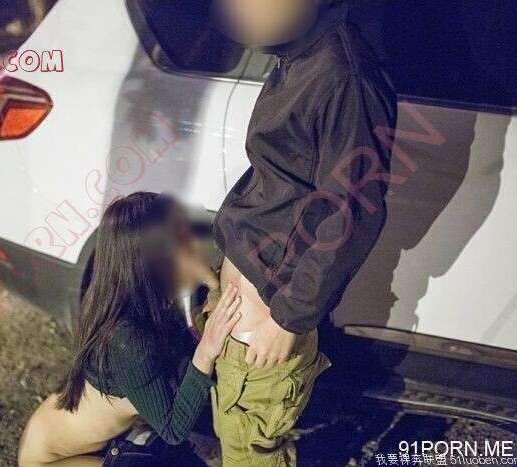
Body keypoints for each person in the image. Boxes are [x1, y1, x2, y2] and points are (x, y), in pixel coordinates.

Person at [209, 0, 397, 465]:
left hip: (267, 323)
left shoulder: (344, 77)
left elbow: (352, 212)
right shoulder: (298, 55)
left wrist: (288, 319)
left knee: (251, 453)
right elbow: (281, 181)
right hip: (246, 315)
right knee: (236, 439)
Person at [18, 192, 241, 466]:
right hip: (52, 460)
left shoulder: (135, 299)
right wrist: (206, 352)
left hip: (84, 439)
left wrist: (214, 285)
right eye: (181, 245)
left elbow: (177, 354)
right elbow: (172, 429)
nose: (194, 251)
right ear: (152, 260)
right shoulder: (127, 339)